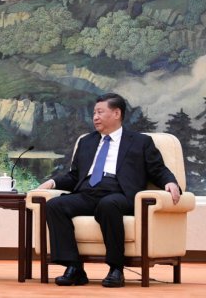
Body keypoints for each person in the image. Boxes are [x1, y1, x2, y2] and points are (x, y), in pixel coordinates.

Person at [35, 93, 181, 288]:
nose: (95, 117)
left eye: (100, 112)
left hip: (120, 193)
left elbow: (158, 169)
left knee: (108, 205)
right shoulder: (86, 142)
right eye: (94, 113)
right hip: (88, 191)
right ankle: (74, 267)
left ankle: (116, 268)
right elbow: (75, 175)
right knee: (55, 205)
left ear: (116, 113)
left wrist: (170, 182)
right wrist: (52, 183)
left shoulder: (140, 142)